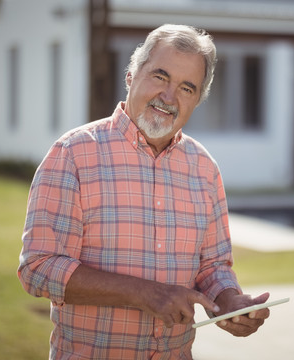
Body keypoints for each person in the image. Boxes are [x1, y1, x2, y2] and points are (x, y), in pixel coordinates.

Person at [18, 24, 270, 359]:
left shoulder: (204, 169)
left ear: (197, 100)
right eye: (160, 77)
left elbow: (213, 266)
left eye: (186, 87)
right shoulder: (72, 154)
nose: (169, 97)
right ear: (131, 75)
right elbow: (38, 268)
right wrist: (145, 294)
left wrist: (228, 300)